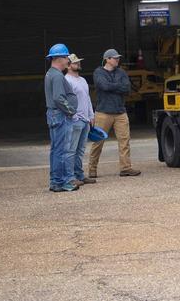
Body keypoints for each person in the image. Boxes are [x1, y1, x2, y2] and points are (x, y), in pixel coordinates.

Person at [86, 48, 140, 178]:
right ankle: (92, 169)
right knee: (98, 142)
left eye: (118, 58)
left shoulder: (121, 72)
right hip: (103, 112)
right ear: (107, 59)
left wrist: (112, 86)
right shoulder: (98, 72)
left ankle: (126, 168)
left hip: (120, 112)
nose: (118, 60)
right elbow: (103, 86)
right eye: (115, 58)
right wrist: (117, 86)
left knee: (124, 141)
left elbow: (127, 88)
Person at [43, 44, 79, 193]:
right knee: (62, 151)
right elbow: (58, 98)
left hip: (54, 115)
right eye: (66, 57)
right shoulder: (57, 75)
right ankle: (62, 182)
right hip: (61, 115)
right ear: (59, 58)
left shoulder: (50, 74)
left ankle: (55, 181)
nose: (68, 61)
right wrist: (70, 111)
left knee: (56, 150)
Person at [64, 54, 96, 186]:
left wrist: (91, 115)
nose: (78, 64)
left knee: (80, 150)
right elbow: (66, 101)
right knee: (71, 150)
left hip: (85, 120)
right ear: (68, 65)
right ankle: (70, 177)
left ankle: (79, 175)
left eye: (78, 62)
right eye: (75, 62)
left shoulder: (82, 80)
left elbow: (87, 98)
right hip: (75, 120)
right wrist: (74, 116)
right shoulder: (67, 80)